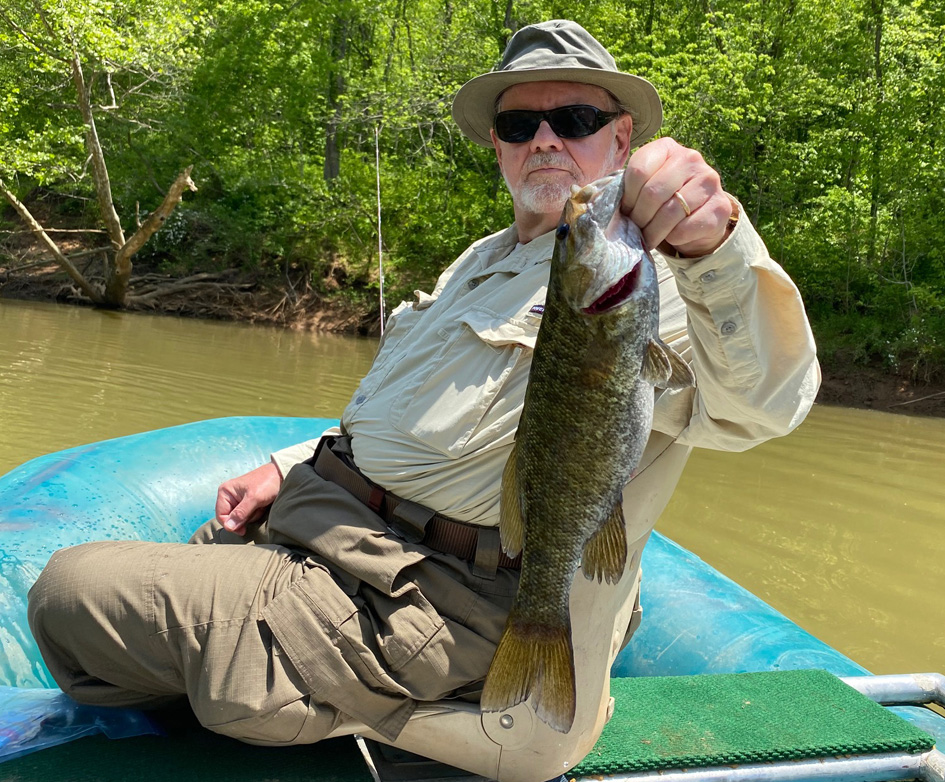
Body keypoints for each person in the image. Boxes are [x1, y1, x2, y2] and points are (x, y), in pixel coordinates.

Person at [28, 18, 819, 769]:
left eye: (574, 117)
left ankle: (291, 698)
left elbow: (762, 404)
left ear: (622, 139)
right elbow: (412, 411)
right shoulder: (482, 259)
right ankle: (250, 686)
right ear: (499, 149)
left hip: (412, 593)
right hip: (324, 520)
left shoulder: (654, 273)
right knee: (117, 609)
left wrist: (713, 242)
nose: (543, 139)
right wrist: (292, 461)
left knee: (69, 592)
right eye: (518, 126)